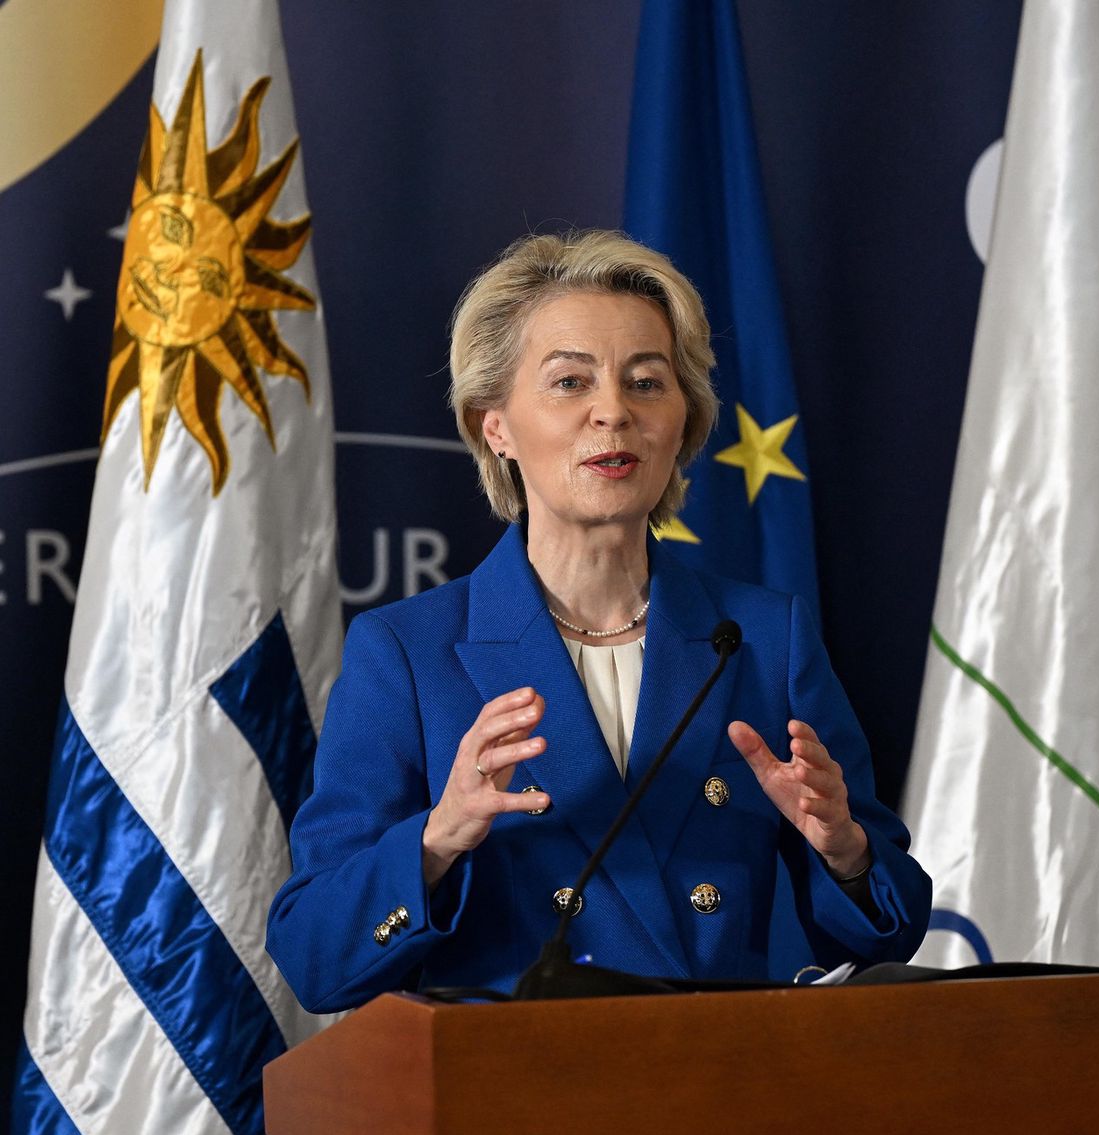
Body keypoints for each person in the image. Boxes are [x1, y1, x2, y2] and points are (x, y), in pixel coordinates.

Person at [266, 230, 931, 1012]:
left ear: (682, 423)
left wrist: (844, 848)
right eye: (570, 382)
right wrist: (438, 836)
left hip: (727, 1095)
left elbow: (892, 929)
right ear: (496, 425)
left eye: (647, 382)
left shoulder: (761, 637)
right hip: (519, 1105)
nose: (612, 412)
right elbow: (314, 957)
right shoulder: (409, 656)